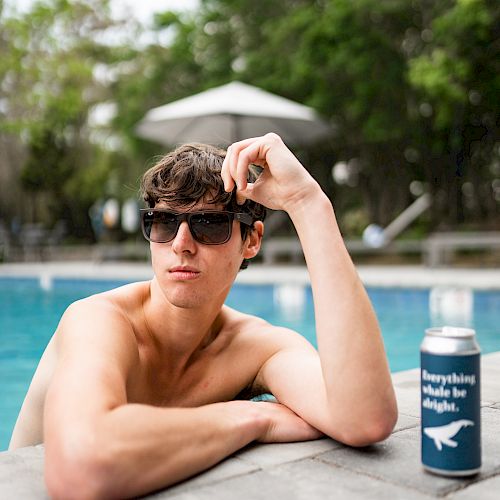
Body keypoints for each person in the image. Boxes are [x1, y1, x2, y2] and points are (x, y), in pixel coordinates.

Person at [9, 134, 397, 499]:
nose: (180, 245)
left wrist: (307, 203)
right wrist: (251, 418)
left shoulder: (254, 347)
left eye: (208, 224)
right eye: (163, 222)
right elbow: (78, 467)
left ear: (252, 240)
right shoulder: (99, 320)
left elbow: (364, 418)